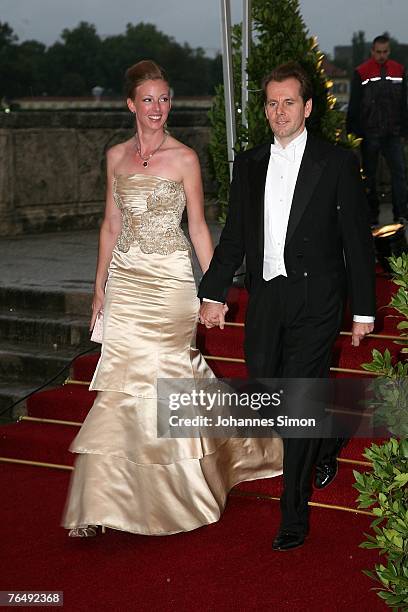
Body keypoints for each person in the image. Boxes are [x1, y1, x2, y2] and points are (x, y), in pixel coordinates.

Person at [63, 60, 283, 537]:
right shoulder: (116, 156)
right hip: (125, 281)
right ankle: (102, 502)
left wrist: (215, 290)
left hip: (169, 284)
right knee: (121, 388)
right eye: (148, 99)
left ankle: (194, 481)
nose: (158, 108)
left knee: (170, 380)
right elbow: (110, 224)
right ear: (131, 104)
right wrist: (99, 287)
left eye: (165, 98)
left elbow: (199, 226)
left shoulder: (184, 158)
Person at [199, 62, 376, 551]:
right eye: (272, 103)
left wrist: (363, 310)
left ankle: (293, 514)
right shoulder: (249, 163)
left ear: (308, 107)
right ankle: (328, 440)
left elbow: (356, 243)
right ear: (265, 108)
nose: (280, 111)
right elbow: (233, 236)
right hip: (267, 297)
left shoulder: (336, 162)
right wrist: (212, 292)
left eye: (289, 102)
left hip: (317, 299)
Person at [347, 34, 408, 226]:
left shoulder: (399, 70)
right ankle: (372, 215)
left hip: (393, 132)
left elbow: (404, 102)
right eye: (378, 52)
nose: (382, 55)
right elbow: (354, 103)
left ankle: (401, 214)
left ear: (388, 51)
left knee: (399, 174)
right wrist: (354, 131)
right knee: (369, 176)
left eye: (385, 52)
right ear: (372, 51)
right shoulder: (362, 72)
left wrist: (404, 130)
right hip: (369, 132)